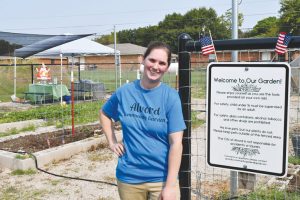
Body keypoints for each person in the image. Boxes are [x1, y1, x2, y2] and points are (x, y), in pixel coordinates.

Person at [99, 41, 186, 200]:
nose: (155, 66)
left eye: (162, 63)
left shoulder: (171, 97)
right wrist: (112, 141)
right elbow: (104, 114)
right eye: (152, 60)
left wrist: (170, 186)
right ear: (143, 60)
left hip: (160, 179)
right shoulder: (125, 92)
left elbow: (176, 144)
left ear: (166, 68)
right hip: (129, 177)